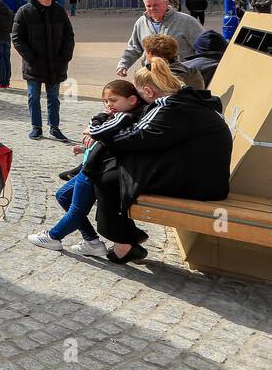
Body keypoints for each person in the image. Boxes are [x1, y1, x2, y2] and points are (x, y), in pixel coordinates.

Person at [89, 60, 231, 264]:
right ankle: (125, 235)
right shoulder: (189, 100)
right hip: (206, 177)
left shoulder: (171, 108)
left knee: (106, 178)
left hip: (199, 184)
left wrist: (101, 129)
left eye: (138, 94)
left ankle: (123, 240)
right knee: (111, 170)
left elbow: (131, 138)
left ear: (148, 91)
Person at [28, 80, 146, 258]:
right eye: (106, 101)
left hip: (99, 169)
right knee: (63, 195)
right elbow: (104, 138)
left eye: (113, 100)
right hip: (94, 165)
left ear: (131, 100)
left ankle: (54, 236)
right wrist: (86, 146)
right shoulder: (121, 115)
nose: (109, 105)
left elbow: (94, 129)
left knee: (77, 208)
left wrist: (94, 128)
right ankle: (91, 241)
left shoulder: (125, 117)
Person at [12, 0, 75, 141]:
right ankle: (36, 127)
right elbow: (17, 38)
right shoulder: (24, 12)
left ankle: (54, 127)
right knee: (34, 96)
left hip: (56, 64)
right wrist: (30, 57)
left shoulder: (58, 10)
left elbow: (69, 35)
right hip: (34, 64)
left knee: (53, 97)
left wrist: (65, 56)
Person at [115, 0, 203, 77]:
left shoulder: (187, 21)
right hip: (152, 74)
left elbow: (203, 48)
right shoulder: (141, 22)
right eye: (148, 6)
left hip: (180, 74)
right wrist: (123, 64)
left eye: (156, 5)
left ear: (166, 3)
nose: (152, 8)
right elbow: (134, 48)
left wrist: (194, 69)